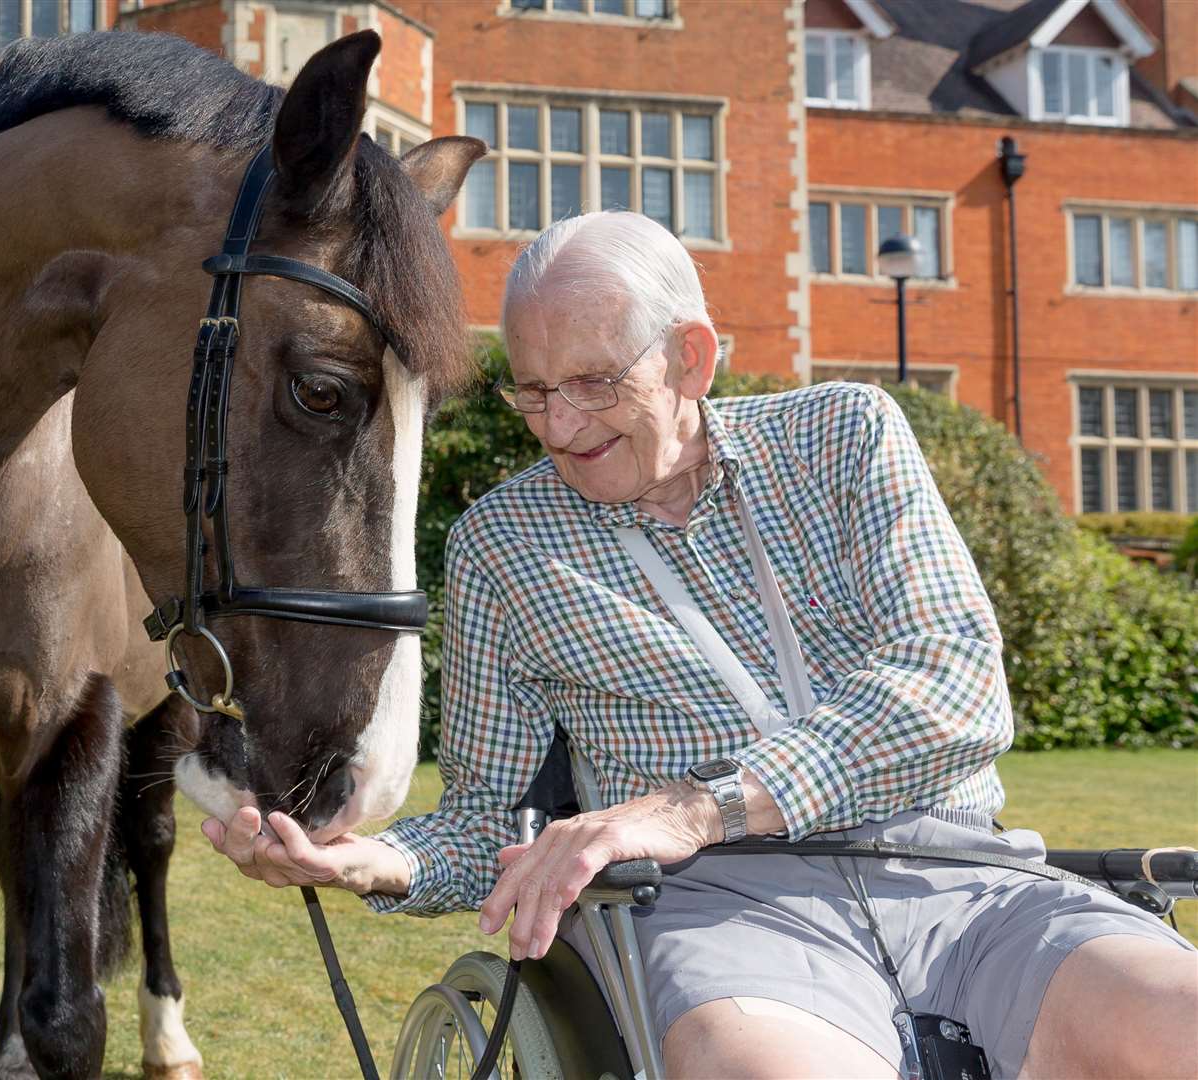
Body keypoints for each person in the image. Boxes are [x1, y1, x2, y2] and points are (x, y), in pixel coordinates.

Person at [202, 212, 1195, 1079]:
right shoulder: (504, 544)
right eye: (533, 390)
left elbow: (956, 689)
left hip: (964, 880)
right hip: (722, 915)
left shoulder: (845, 436)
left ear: (690, 357)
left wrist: (696, 807)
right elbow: (487, 819)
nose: (558, 425)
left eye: (592, 384)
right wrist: (371, 860)